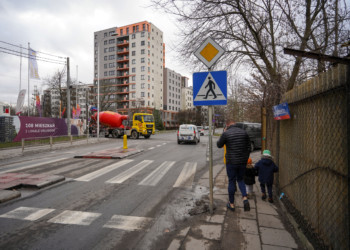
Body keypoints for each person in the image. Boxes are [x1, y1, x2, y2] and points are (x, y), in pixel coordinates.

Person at [217, 118, 251, 212]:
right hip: (242, 162)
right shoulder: (244, 132)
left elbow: (219, 145)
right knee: (240, 179)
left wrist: (223, 133)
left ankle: (231, 204)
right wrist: (245, 159)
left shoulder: (226, 133)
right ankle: (244, 198)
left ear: (227, 125)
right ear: (235, 124)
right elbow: (249, 147)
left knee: (232, 181)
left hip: (231, 162)